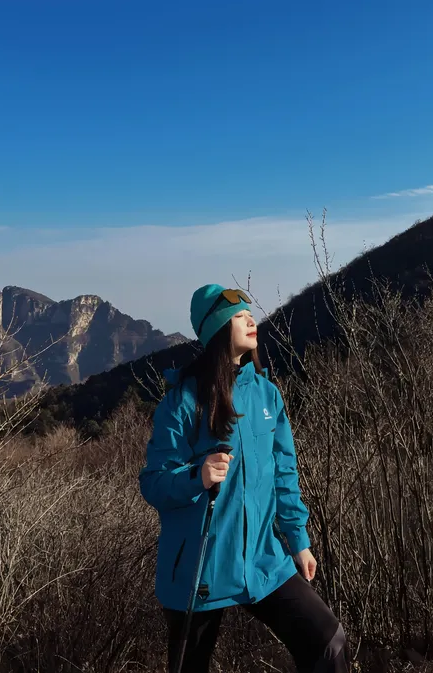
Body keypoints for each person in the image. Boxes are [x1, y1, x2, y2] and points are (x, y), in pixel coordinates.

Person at [139, 284, 349, 673]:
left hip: (262, 558)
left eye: (250, 314)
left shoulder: (267, 395)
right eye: (238, 316)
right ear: (216, 329)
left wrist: (299, 541)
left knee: (327, 640)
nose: (251, 320)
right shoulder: (183, 402)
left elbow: (284, 474)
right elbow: (154, 482)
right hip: (201, 566)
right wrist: (197, 476)